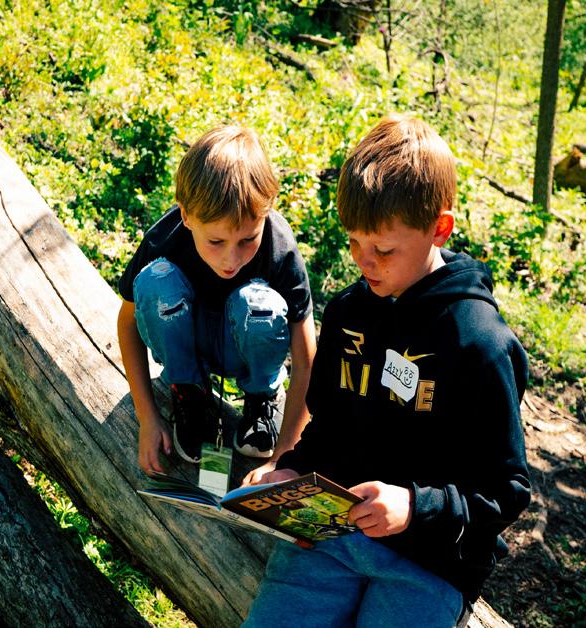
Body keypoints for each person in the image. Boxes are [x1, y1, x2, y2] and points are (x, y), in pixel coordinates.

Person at [244, 115, 531, 627]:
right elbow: (330, 424)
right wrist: (292, 469)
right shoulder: (349, 313)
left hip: (429, 564)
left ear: (439, 229)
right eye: (354, 242)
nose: (364, 261)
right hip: (332, 536)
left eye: (383, 249)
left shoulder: (479, 344)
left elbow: (506, 489)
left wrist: (415, 507)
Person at [117, 125, 317, 477]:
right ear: (186, 215)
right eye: (216, 242)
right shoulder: (165, 239)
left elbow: (306, 359)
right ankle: (188, 391)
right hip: (189, 341)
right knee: (153, 281)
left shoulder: (279, 248)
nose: (231, 259)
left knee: (260, 305)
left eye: (247, 240)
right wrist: (147, 416)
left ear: (266, 212)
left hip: (242, 348)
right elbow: (128, 322)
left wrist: (283, 457)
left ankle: (261, 398)